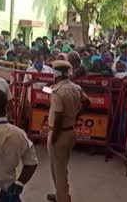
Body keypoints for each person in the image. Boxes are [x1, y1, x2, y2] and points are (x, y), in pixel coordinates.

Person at [47, 60, 90, 202]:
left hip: (59, 133)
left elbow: (58, 116)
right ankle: (61, 194)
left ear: (55, 74)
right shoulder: (76, 88)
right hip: (70, 131)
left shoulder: (57, 92)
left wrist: (54, 136)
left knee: (58, 169)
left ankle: (63, 198)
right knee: (61, 167)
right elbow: (87, 102)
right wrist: (77, 115)